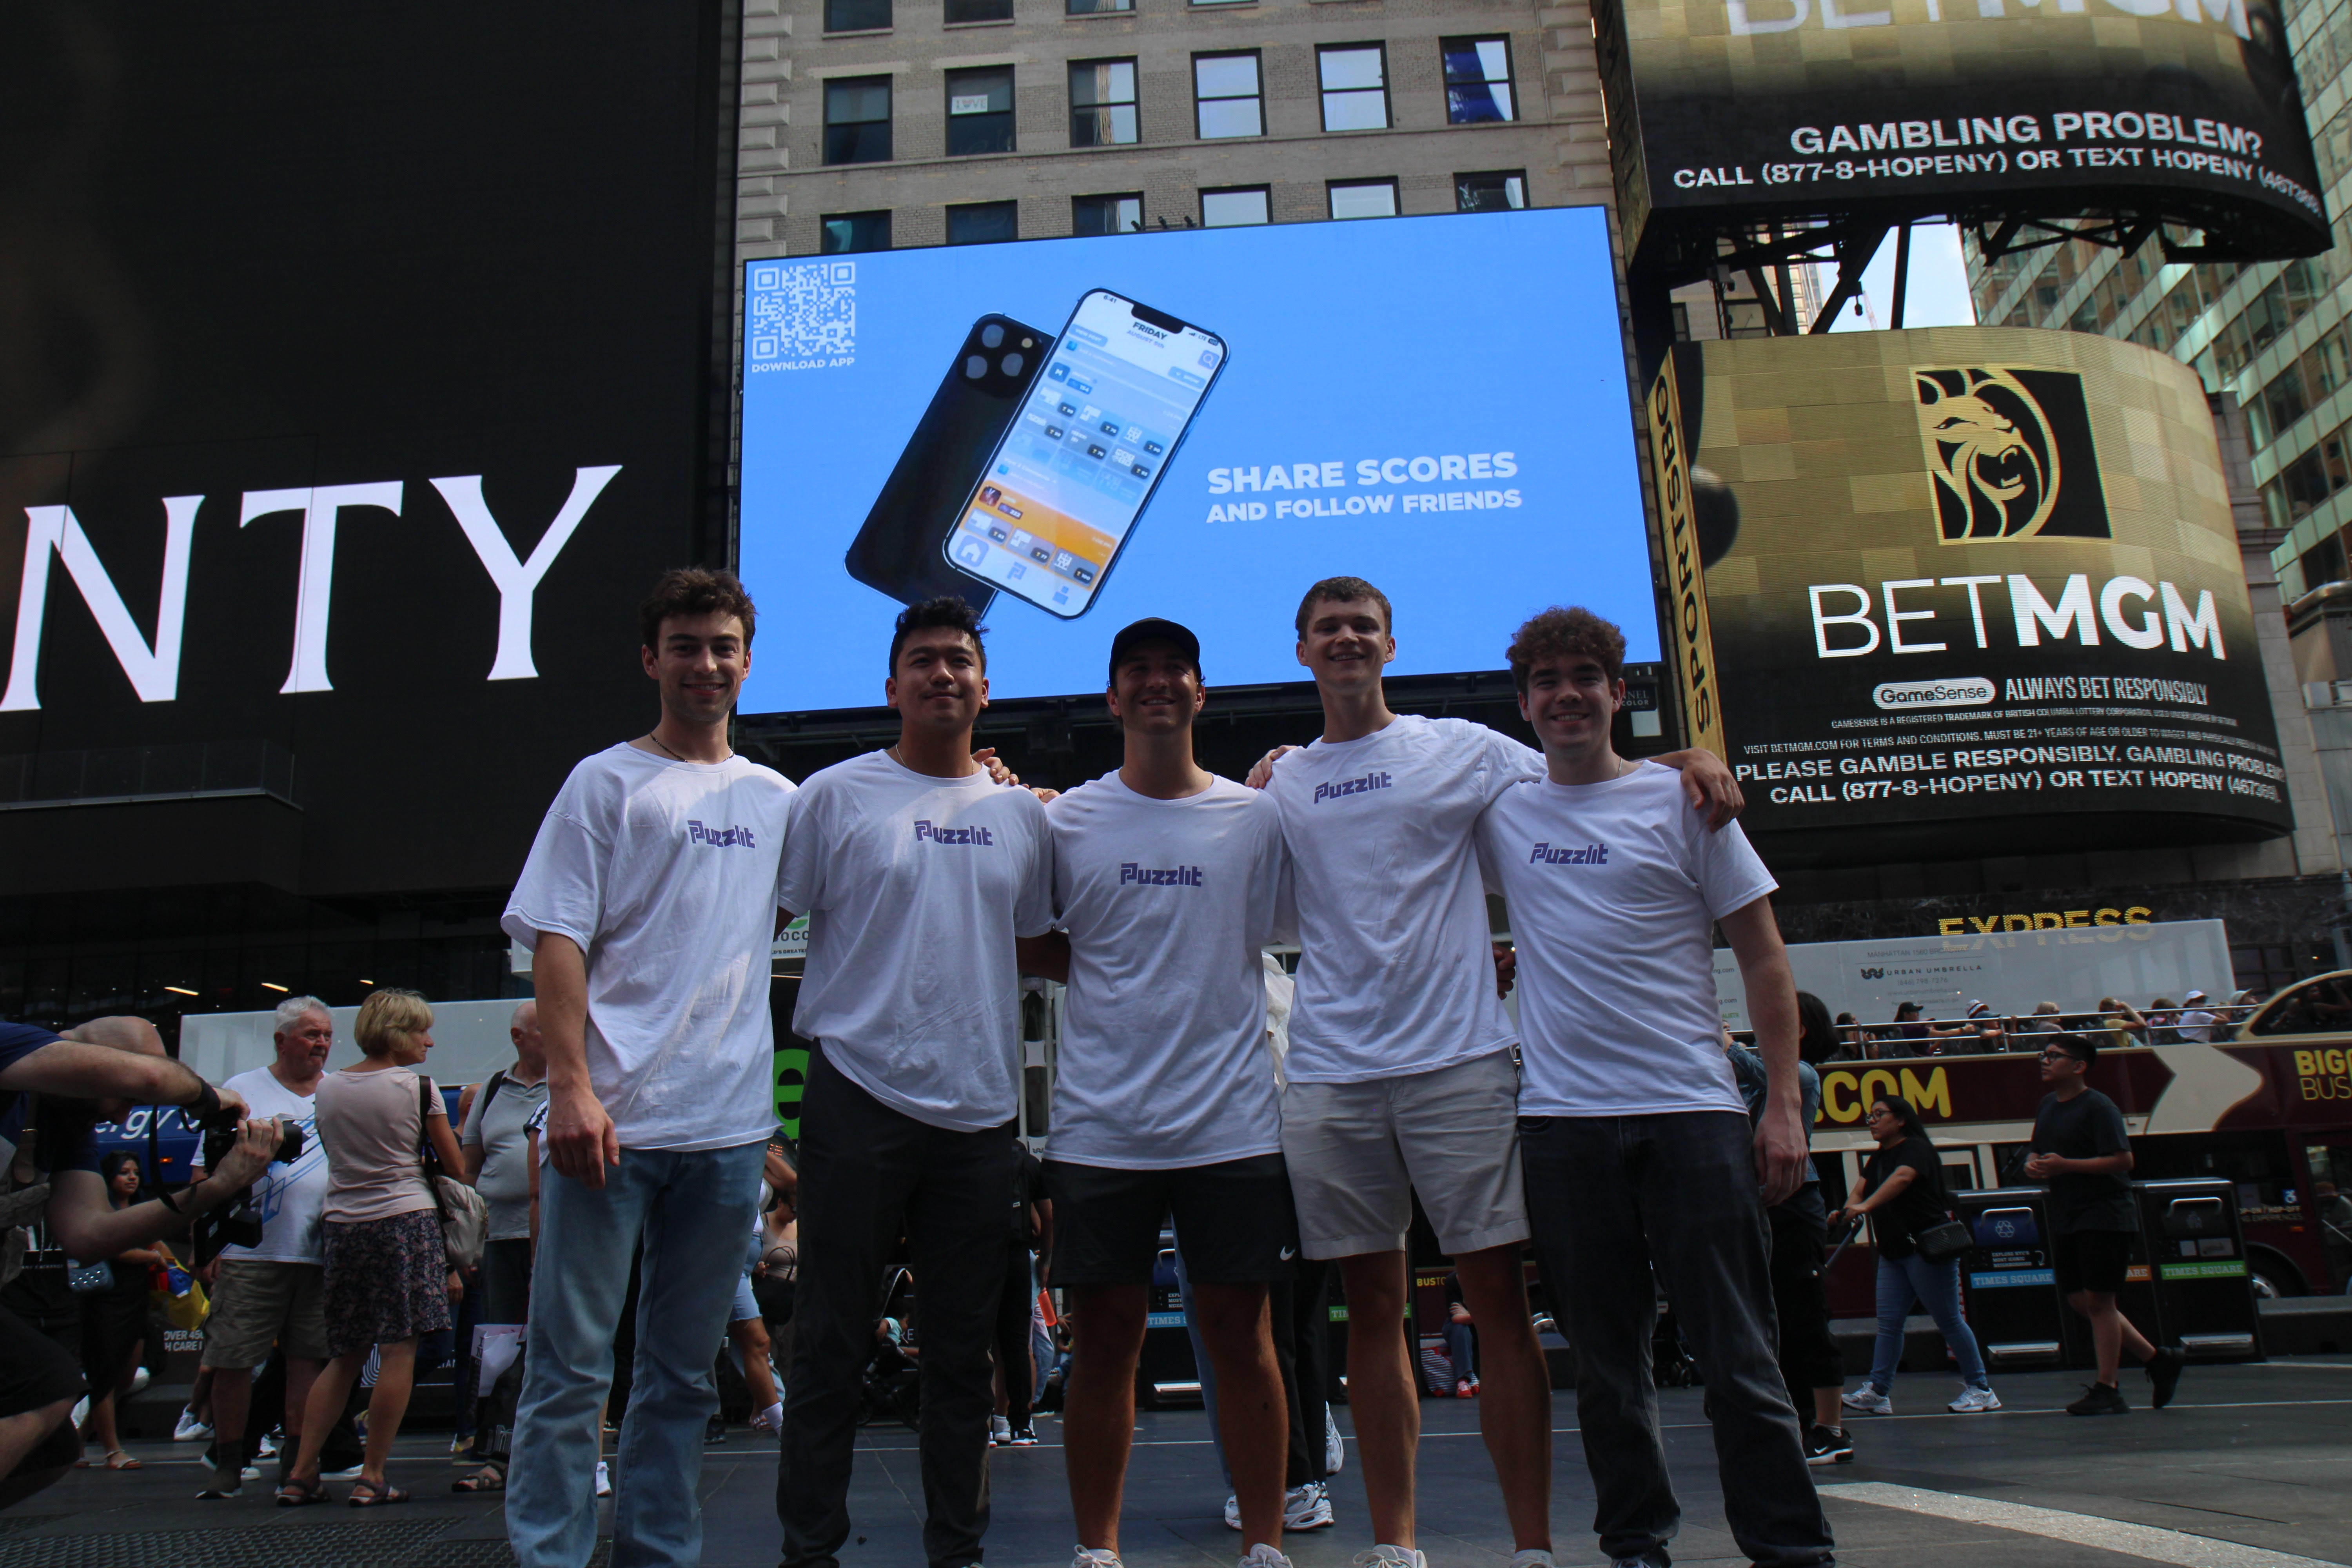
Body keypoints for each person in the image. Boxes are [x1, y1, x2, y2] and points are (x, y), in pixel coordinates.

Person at [1247, 580, 1740, 1568]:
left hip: (1460, 1063)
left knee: (1499, 1305)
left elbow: (1589, 778)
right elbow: (1265, 904)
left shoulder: (1461, 746)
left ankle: (1529, 1548)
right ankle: (1396, 1542)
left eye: (1362, 627)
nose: (1345, 640)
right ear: (1302, 650)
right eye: (1327, 629)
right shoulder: (1283, 782)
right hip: (1335, 1073)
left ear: (1391, 643)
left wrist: (1680, 762)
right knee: (1370, 1311)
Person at [1475, 606, 1829, 1568]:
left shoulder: (1689, 804)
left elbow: (1763, 960)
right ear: (1524, 703)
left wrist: (1785, 1103)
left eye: (1584, 675)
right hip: (1561, 1123)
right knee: (1604, 1366)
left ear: (1615, 690)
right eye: (1545, 680)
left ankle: (1792, 1546)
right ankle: (1635, 1542)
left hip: (1693, 1113)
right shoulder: (1503, 809)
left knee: (1739, 1354)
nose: (1565, 694)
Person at [503, 567, 798, 1568]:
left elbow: (869, 870)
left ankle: (659, 1554)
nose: (705, 662)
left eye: (722, 646)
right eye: (686, 644)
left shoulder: (776, 799)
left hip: (725, 1134)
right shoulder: (604, 781)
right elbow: (556, 941)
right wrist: (570, 1088)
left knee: (680, 1375)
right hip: (611, 1126)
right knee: (570, 1369)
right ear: (651, 659)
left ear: (747, 663)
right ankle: (549, 1554)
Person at [775, 595, 1054, 1568]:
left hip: (979, 1114)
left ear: (986, 684)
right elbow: (753, 928)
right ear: (891, 684)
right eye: (924, 660)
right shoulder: (832, 796)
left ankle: (958, 1550)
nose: (943, 673)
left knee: (963, 1355)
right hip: (857, 1093)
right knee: (829, 1338)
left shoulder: (1023, 814)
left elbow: (1046, 944)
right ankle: (808, 1549)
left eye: (960, 660)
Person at [1014, 618, 1298, 1568]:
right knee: (1104, 1345)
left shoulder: (1255, 819)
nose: (1157, 682)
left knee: (1241, 1335)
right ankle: (1099, 1549)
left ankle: (1264, 1537)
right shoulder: (1066, 821)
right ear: (1112, 697)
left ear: (1200, 693)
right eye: (1137, 670)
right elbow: (1030, 936)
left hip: (1231, 1123)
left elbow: (1305, 915)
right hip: (1103, 1129)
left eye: (1175, 668)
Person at [0, 1016, 279, 1509]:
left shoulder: (67, 1124)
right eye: (124, 1099)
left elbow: (89, 1234)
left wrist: (214, 1189)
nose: (119, 1117)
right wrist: (208, 1098)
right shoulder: (13, 1044)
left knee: (51, 1447)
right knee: (46, 1387)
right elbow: (150, 1079)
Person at [275, 989, 466, 1505]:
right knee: (400, 1350)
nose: (428, 1041)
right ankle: (373, 1474)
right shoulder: (418, 1089)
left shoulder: (330, 1088)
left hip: (343, 1225)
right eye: (421, 1031)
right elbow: (457, 1168)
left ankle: (299, 1472)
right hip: (405, 1220)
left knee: (344, 1355)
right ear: (398, 1034)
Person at [200, 997, 338, 1499]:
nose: (321, 1043)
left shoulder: (339, 1093)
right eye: (310, 1034)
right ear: (282, 1040)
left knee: (308, 1360)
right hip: (250, 1252)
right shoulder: (241, 1089)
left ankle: (298, 1465)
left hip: (320, 1253)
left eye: (325, 1034)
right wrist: (207, 1245)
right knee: (233, 1358)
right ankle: (229, 1463)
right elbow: (205, 1172)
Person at [2024, 1036, 2185, 1415]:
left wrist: (2066, 1166)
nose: (2044, 1062)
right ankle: (2158, 1359)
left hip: (2105, 1214)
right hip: (2068, 1213)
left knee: (2100, 1301)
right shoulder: (2049, 1105)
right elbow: (2036, 1147)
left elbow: (2123, 1160)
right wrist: (2034, 1163)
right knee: (2081, 1300)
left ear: (2079, 1066)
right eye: (2043, 1056)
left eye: (2053, 1057)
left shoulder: (2100, 1107)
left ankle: (2108, 1387)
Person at [1727, 993, 1849, 1466]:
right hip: (1762, 1202)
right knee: (1772, 1314)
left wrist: (1726, 1045)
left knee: (1806, 1314)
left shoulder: (1800, 1075)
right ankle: (1795, 1417)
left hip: (1795, 1204)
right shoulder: (1760, 1081)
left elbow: (1759, 1072)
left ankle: (1832, 1427)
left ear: (1797, 1030)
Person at [1833, 1094, 1996, 1417]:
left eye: (1879, 1114)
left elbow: (1902, 1179)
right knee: (1889, 1324)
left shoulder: (1916, 1150)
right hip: (1894, 1252)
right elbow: (1860, 1189)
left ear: (1901, 1119)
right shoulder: (1879, 1157)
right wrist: (1847, 1210)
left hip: (1925, 1250)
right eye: (1870, 1115)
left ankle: (1981, 1389)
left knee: (1948, 1319)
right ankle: (1878, 1392)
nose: (1872, 1120)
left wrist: (1864, 1208)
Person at [454, 1000, 550, 1493]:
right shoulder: (493, 1089)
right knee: (499, 1346)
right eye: (544, 1027)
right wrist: (463, 1243)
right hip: (501, 1236)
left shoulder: (570, 1081)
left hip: (555, 1234)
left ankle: (539, 1452)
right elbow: (468, 1170)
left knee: (548, 1344)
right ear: (519, 1036)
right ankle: (495, 1452)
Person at [72, 1152, 169, 1473]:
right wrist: (149, 1257)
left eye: (136, 1172)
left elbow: (162, 1249)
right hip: (104, 1299)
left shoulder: (142, 1212)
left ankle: (77, 1441)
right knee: (105, 1374)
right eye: (123, 1173)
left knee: (126, 1376)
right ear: (108, 1177)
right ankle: (112, 1449)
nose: (132, 1178)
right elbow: (115, 1249)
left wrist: (160, 1257)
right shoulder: (101, 1212)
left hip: (136, 1299)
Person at [990, 1142, 1049, 1449]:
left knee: (980, 1344)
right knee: (1017, 1345)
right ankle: (1021, 1426)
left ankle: (989, 1424)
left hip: (977, 1256)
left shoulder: (973, 1156)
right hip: (1016, 1256)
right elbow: (1047, 1220)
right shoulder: (1028, 1165)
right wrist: (1047, 1260)